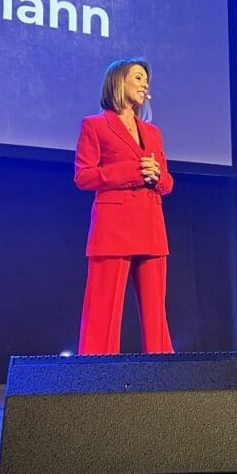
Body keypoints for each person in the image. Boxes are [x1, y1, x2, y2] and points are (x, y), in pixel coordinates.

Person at [74, 58, 175, 354]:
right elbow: (83, 176)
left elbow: (168, 182)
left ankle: (163, 371)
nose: (145, 84)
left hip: (151, 225)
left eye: (146, 79)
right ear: (119, 81)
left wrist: (157, 177)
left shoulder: (153, 132)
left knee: (156, 314)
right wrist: (132, 171)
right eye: (138, 77)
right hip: (113, 227)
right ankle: (96, 373)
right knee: (102, 312)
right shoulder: (94, 125)